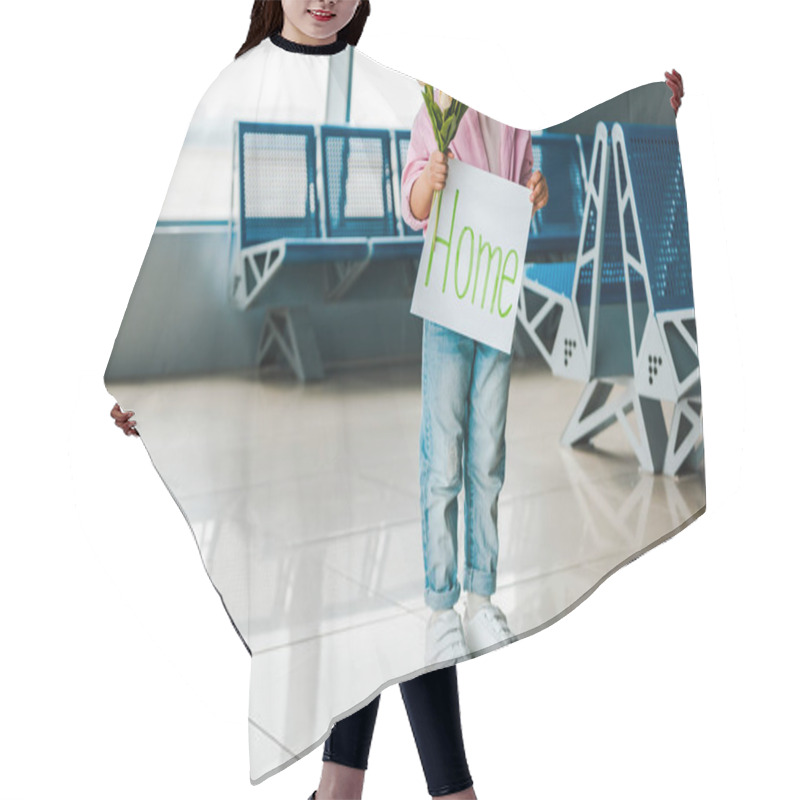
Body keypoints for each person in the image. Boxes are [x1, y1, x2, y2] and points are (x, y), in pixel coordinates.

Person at [109, 3, 686, 796]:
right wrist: (141, 374)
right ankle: (420, 789)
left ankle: (361, 790)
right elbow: (185, 236)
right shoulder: (237, 86)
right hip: (292, 422)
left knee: (399, 604)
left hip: (446, 321)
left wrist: (643, 108)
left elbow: (525, 126)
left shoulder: (402, 78)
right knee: (377, 605)